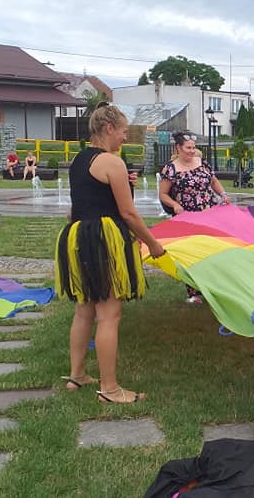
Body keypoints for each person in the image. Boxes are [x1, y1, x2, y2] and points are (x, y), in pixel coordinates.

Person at [55, 104, 167, 404]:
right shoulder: (111, 162)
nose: (125, 137)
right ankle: (110, 389)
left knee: (84, 310)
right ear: (108, 129)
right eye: (123, 132)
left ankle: (77, 375)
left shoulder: (79, 159)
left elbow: (77, 208)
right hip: (104, 240)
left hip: (77, 237)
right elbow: (128, 214)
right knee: (108, 315)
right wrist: (153, 244)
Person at [160, 131, 231, 303]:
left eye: (193, 147)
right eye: (188, 148)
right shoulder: (171, 168)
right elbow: (162, 194)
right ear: (178, 148)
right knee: (192, 253)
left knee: (212, 249)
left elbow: (213, 181)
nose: (192, 151)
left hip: (209, 214)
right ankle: (193, 292)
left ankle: (213, 286)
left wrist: (223, 194)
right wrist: (175, 205)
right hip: (187, 217)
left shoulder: (202, 162)